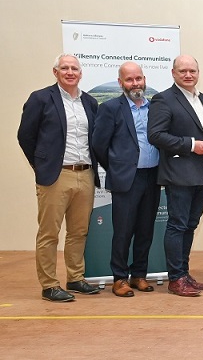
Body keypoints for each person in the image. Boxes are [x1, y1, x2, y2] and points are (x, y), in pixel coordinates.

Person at [18, 53, 102, 302]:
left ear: (80, 73)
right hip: (56, 176)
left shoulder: (90, 102)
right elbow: (26, 136)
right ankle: (49, 285)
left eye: (74, 68)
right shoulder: (41, 98)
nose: (70, 72)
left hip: (85, 174)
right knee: (49, 233)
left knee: (79, 231)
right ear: (55, 72)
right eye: (64, 68)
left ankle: (75, 278)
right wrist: (41, 165)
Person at [148, 55, 203, 297]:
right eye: (183, 71)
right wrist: (189, 145)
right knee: (177, 225)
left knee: (191, 224)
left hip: (202, 174)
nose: (188, 75)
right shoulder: (163, 99)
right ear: (173, 73)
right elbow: (155, 135)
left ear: (198, 72)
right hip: (178, 173)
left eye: (192, 71)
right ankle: (175, 278)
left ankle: (184, 274)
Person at [92, 62, 160, 297]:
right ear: (120, 83)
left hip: (152, 176)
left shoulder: (155, 107)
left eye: (138, 78)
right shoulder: (110, 108)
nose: (135, 84)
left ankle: (139, 274)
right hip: (126, 179)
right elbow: (99, 145)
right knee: (123, 231)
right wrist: (117, 167)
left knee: (145, 229)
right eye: (130, 80)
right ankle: (120, 278)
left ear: (144, 79)